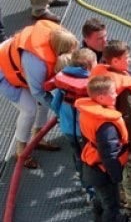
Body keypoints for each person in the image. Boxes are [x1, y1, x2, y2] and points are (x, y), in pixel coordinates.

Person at [0, 20, 77, 168]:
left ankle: (38, 137)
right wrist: (59, 109)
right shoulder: (37, 63)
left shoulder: (58, 36)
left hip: (21, 65)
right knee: (30, 109)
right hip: (5, 70)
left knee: (44, 102)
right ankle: (21, 150)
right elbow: (37, 92)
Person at [90, 40, 131, 214]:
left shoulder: (102, 77)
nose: (130, 60)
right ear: (115, 61)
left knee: (122, 169)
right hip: (126, 138)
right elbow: (129, 118)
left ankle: (123, 195)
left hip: (111, 137)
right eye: (126, 57)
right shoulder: (124, 90)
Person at [47, 47, 98, 202]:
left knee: (78, 157)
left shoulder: (63, 86)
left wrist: (64, 115)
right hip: (85, 132)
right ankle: (93, 190)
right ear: (89, 66)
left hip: (69, 130)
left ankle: (86, 186)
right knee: (91, 159)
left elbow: (55, 106)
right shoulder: (90, 86)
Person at [76, 75, 129, 222]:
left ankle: (97, 218)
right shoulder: (106, 124)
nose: (116, 94)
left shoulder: (88, 113)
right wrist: (116, 176)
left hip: (91, 165)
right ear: (100, 98)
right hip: (103, 171)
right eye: (112, 92)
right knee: (112, 207)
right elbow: (110, 155)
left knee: (100, 200)